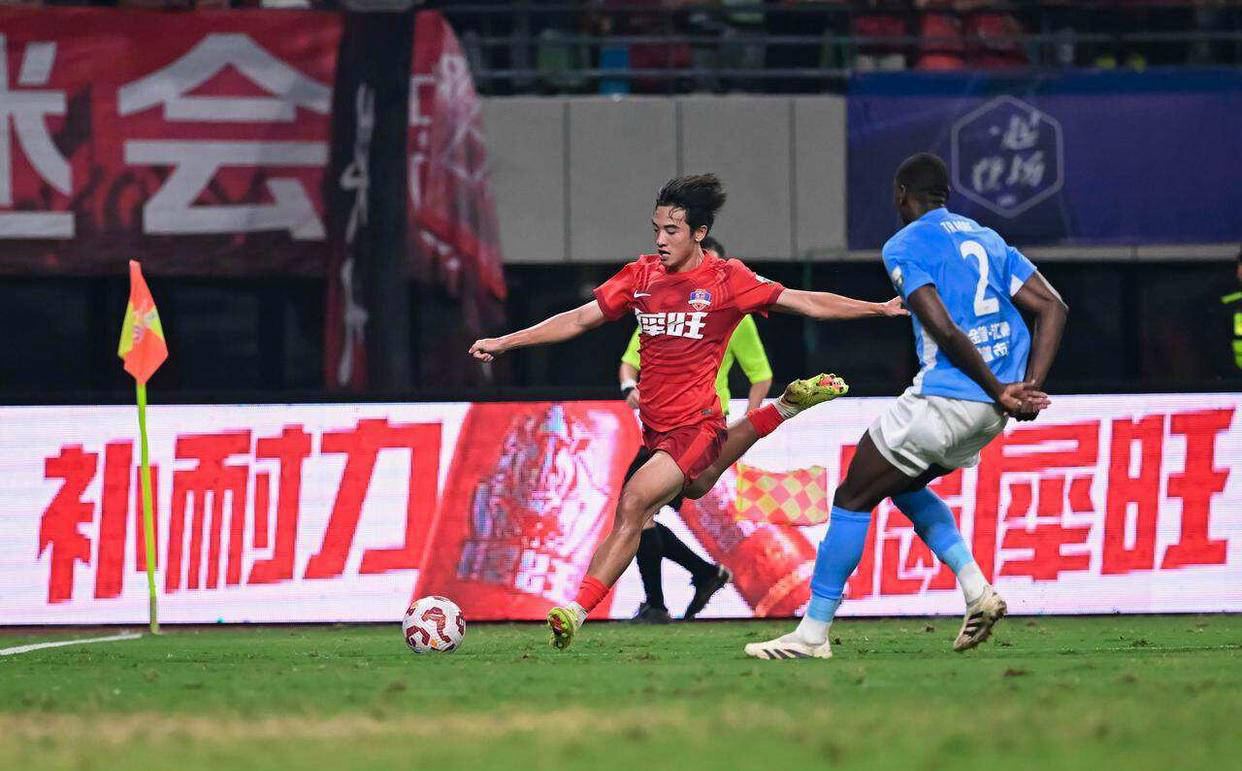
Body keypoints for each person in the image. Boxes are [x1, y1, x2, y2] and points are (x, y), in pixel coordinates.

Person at [469, 173, 907, 650]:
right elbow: (578, 319)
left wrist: (877, 310)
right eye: (656, 229)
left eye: (672, 230)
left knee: (635, 502)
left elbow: (804, 301)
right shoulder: (640, 277)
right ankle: (782, 408)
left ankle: (575, 611)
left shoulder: (727, 279)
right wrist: (506, 342)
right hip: (655, 430)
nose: (660, 240)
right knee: (697, 485)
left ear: (699, 233)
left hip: (697, 424)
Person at [744, 153, 1068, 660]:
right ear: (946, 196)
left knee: (852, 495)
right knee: (903, 485)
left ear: (901, 195)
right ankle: (976, 590)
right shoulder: (986, 237)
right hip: (991, 412)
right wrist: (1025, 388)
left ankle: (812, 634)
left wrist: (996, 388)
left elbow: (944, 328)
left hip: (950, 398)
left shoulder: (905, 244)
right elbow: (1053, 306)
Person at [620, 236, 772, 623]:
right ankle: (699, 577)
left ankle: (660, 602)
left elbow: (761, 375)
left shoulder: (733, 312)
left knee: (637, 510)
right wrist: (629, 387)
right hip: (661, 428)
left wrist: (746, 428)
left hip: (701, 428)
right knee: (637, 511)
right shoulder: (664, 308)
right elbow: (629, 361)